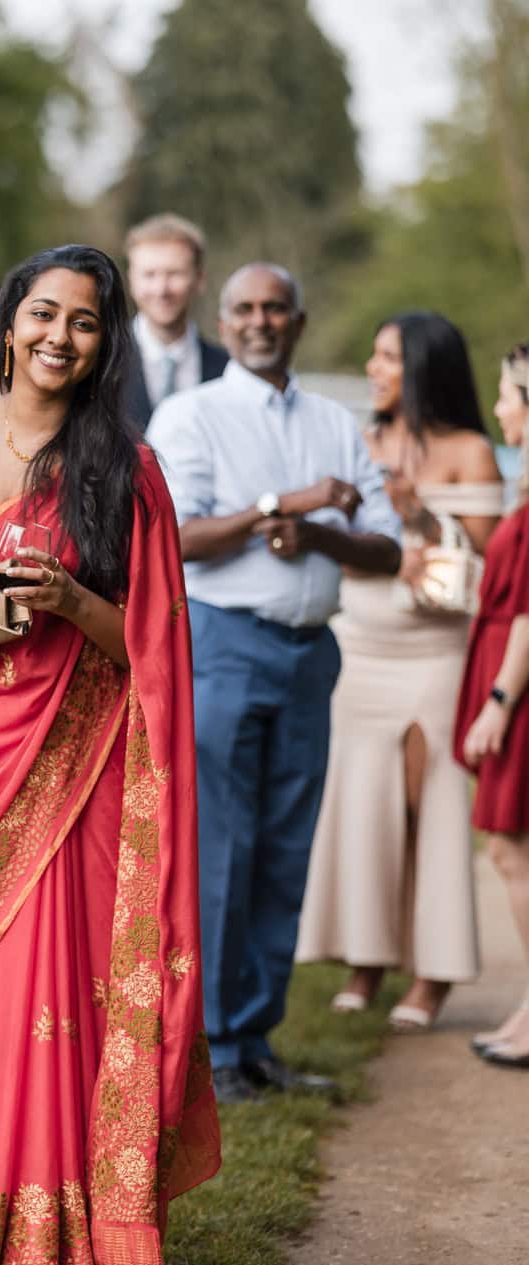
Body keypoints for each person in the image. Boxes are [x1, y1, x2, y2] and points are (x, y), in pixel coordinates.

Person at [0, 243, 221, 1265]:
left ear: (102, 347)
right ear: (8, 321)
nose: (58, 336)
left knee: (57, 997)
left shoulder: (123, 471)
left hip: (78, 767)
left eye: (83, 323)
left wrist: (69, 602)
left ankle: (71, 1236)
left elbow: (158, 647)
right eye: (44, 313)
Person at [146, 263, 403, 1103]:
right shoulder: (191, 414)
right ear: (226, 318)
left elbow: (388, 547)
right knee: (224, 846)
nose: (260, 321)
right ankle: (215, 1047)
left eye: (276, 308)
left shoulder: (336, 420)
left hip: (308, 651)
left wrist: (320, 538)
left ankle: (257, 1037)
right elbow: (178, 536)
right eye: (246, 309)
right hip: (223, 643)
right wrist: (275, 507)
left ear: (298, 319)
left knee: (287, 848)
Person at [298, 311, 503, 1029]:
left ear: (420, 367)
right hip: (360, 648)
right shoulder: (362, 442)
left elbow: (486, 573)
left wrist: (417, 516)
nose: (372, 367)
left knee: (425, 809)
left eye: (387, 357)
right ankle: (366, 958)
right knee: (362, 809)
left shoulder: (470, 451)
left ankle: (433, 974)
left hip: (433, 656)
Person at [455, 344, 529, 1070]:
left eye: (509, 395)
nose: (501, 407)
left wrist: (500, 701)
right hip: (511, 679)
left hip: (520, 690)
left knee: (511, 848)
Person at [122, 213, 227, 433]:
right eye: (149, 275)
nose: (161, 290)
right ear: (131, 280)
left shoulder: (228, 371)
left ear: (199, 279)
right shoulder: (100, 364)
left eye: (174, 274)